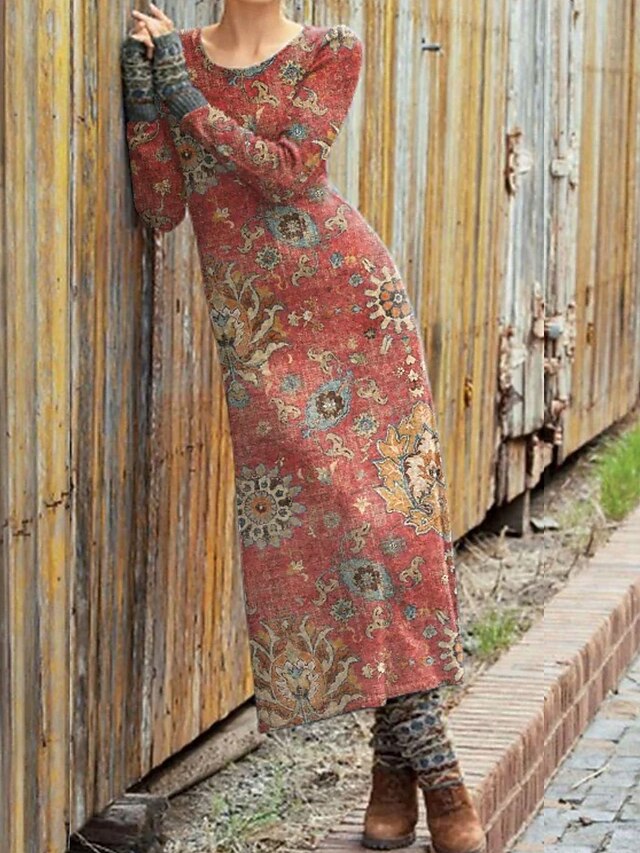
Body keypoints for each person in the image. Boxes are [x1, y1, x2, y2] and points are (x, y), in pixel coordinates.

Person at [120, 3, 485, 851]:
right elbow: (162, 206)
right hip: (259, 339)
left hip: (353, 308)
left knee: (385, 529)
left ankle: (434, 774)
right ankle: (399, 770)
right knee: (340, 537)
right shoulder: (179, 61)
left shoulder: (330, 50)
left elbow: (288, 171)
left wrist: (181, 96)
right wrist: (145, 91)